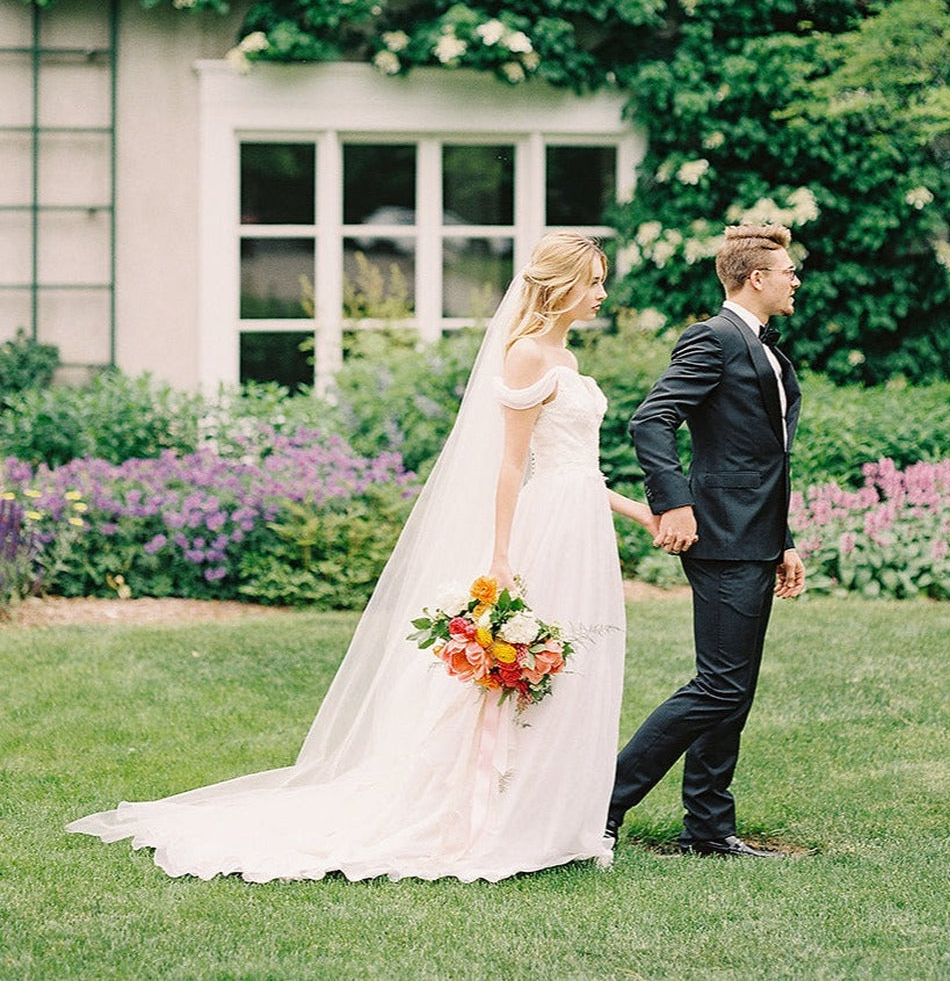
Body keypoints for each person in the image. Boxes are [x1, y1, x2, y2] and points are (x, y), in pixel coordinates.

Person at [68, 232, 654, 883]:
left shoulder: (565, 358)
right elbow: (514, 464)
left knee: (576, 662)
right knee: (532, 665)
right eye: (594, 282)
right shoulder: (524, 356)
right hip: (544, 528)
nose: (603, 294)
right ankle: (496, 815)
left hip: (581, 531)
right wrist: (502, 556)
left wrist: (639, 512)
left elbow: (576, 469)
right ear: (560, 284)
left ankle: (554, 817)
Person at [604, 221, 806, 859]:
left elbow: (762, 459)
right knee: (719, 685)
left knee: (733, 688)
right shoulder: (712, 340)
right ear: (756, 277)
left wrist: (784, 539)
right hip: (717, 538)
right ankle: (601, 803)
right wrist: (675, 505)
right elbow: (652, 420)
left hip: (754, 538)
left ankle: (709, 828)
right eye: (788, 271)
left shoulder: (769, 350)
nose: (796, 280)